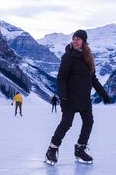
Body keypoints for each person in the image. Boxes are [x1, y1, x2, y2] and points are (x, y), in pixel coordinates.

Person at [45, 29, 111, 166]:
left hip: (84, 99)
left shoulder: (88, 58)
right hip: (70, 98)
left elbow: (93, 79)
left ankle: (80, 149)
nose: (75, 41)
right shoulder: (68, 57)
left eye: (78, 39)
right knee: (66, 124)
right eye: (74, 38)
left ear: (84, 42)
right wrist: (63, 97)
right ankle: (52, 149)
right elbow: (61, 78)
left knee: (89, 122)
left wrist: (104, 94)